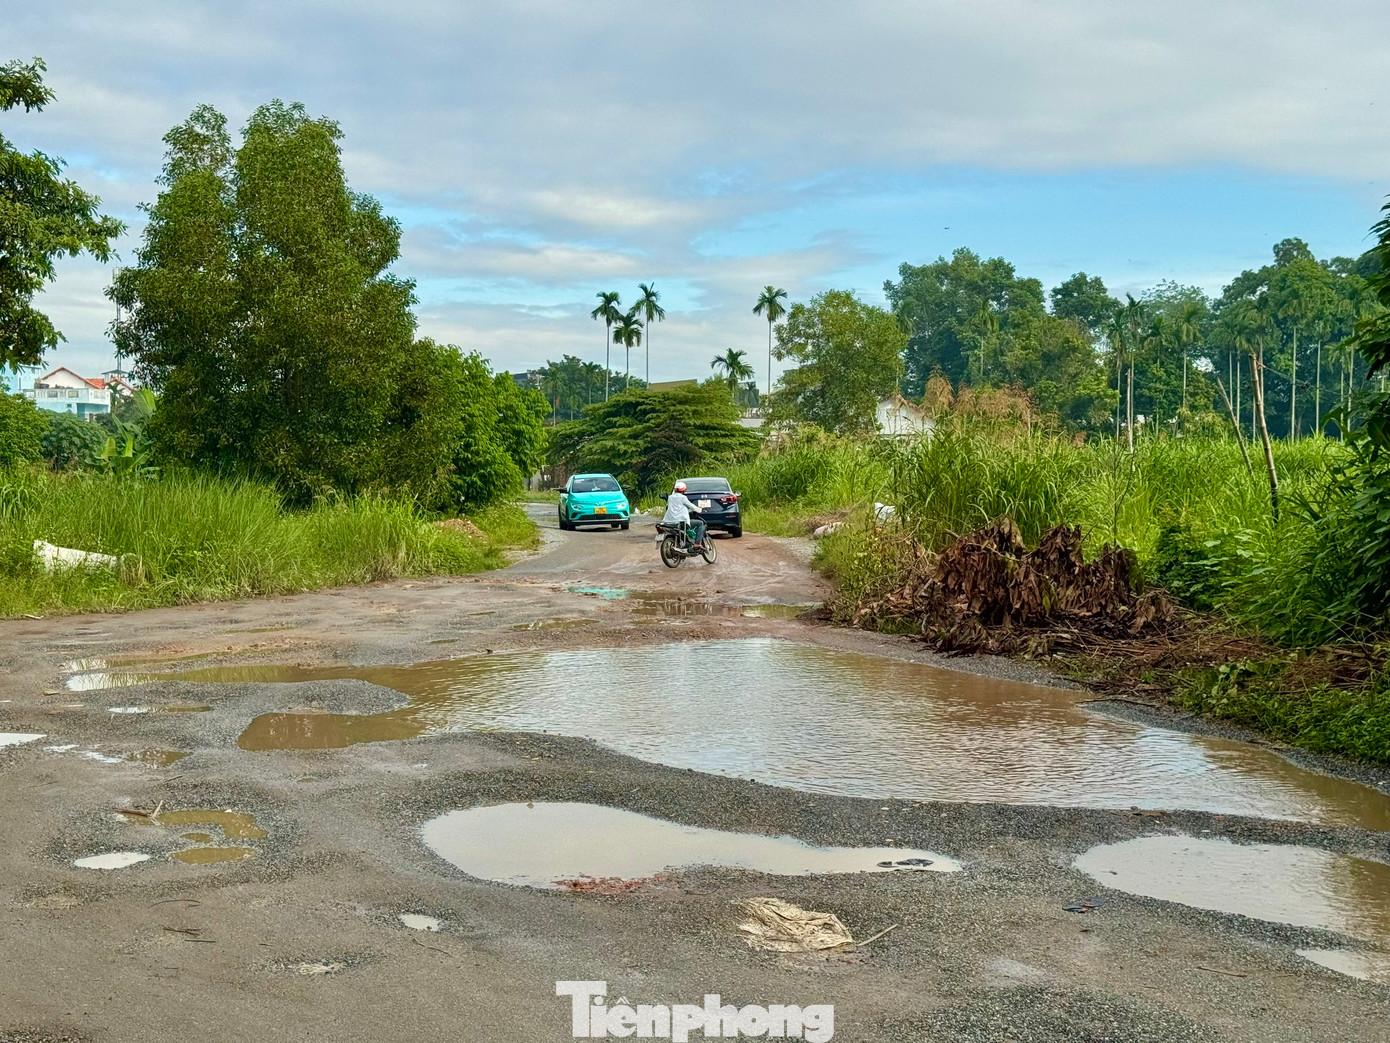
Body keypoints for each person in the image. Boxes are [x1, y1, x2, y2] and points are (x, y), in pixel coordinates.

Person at [662, 481, 707, 549]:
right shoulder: (683, 498)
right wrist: (700, 509)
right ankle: (697, 543)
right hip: (681, 522)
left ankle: (687, 542)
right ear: (684, 490)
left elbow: (675, 507)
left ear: (675, 489)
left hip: (669, 521)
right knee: (700, 523)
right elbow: (692, 506)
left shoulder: (670, 498)